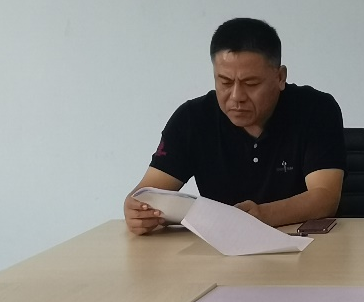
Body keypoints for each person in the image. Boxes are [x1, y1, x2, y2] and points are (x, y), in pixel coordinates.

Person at [124, 18, 345, 234]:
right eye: (225, 82)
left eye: (251, 84)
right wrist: (136, 210)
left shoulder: (316, 109)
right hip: (220, 248)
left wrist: (260, 216)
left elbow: (325, 197)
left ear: (280, 77)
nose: (236, 96)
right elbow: (148, 192)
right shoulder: (191, 119)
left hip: (307, 244)